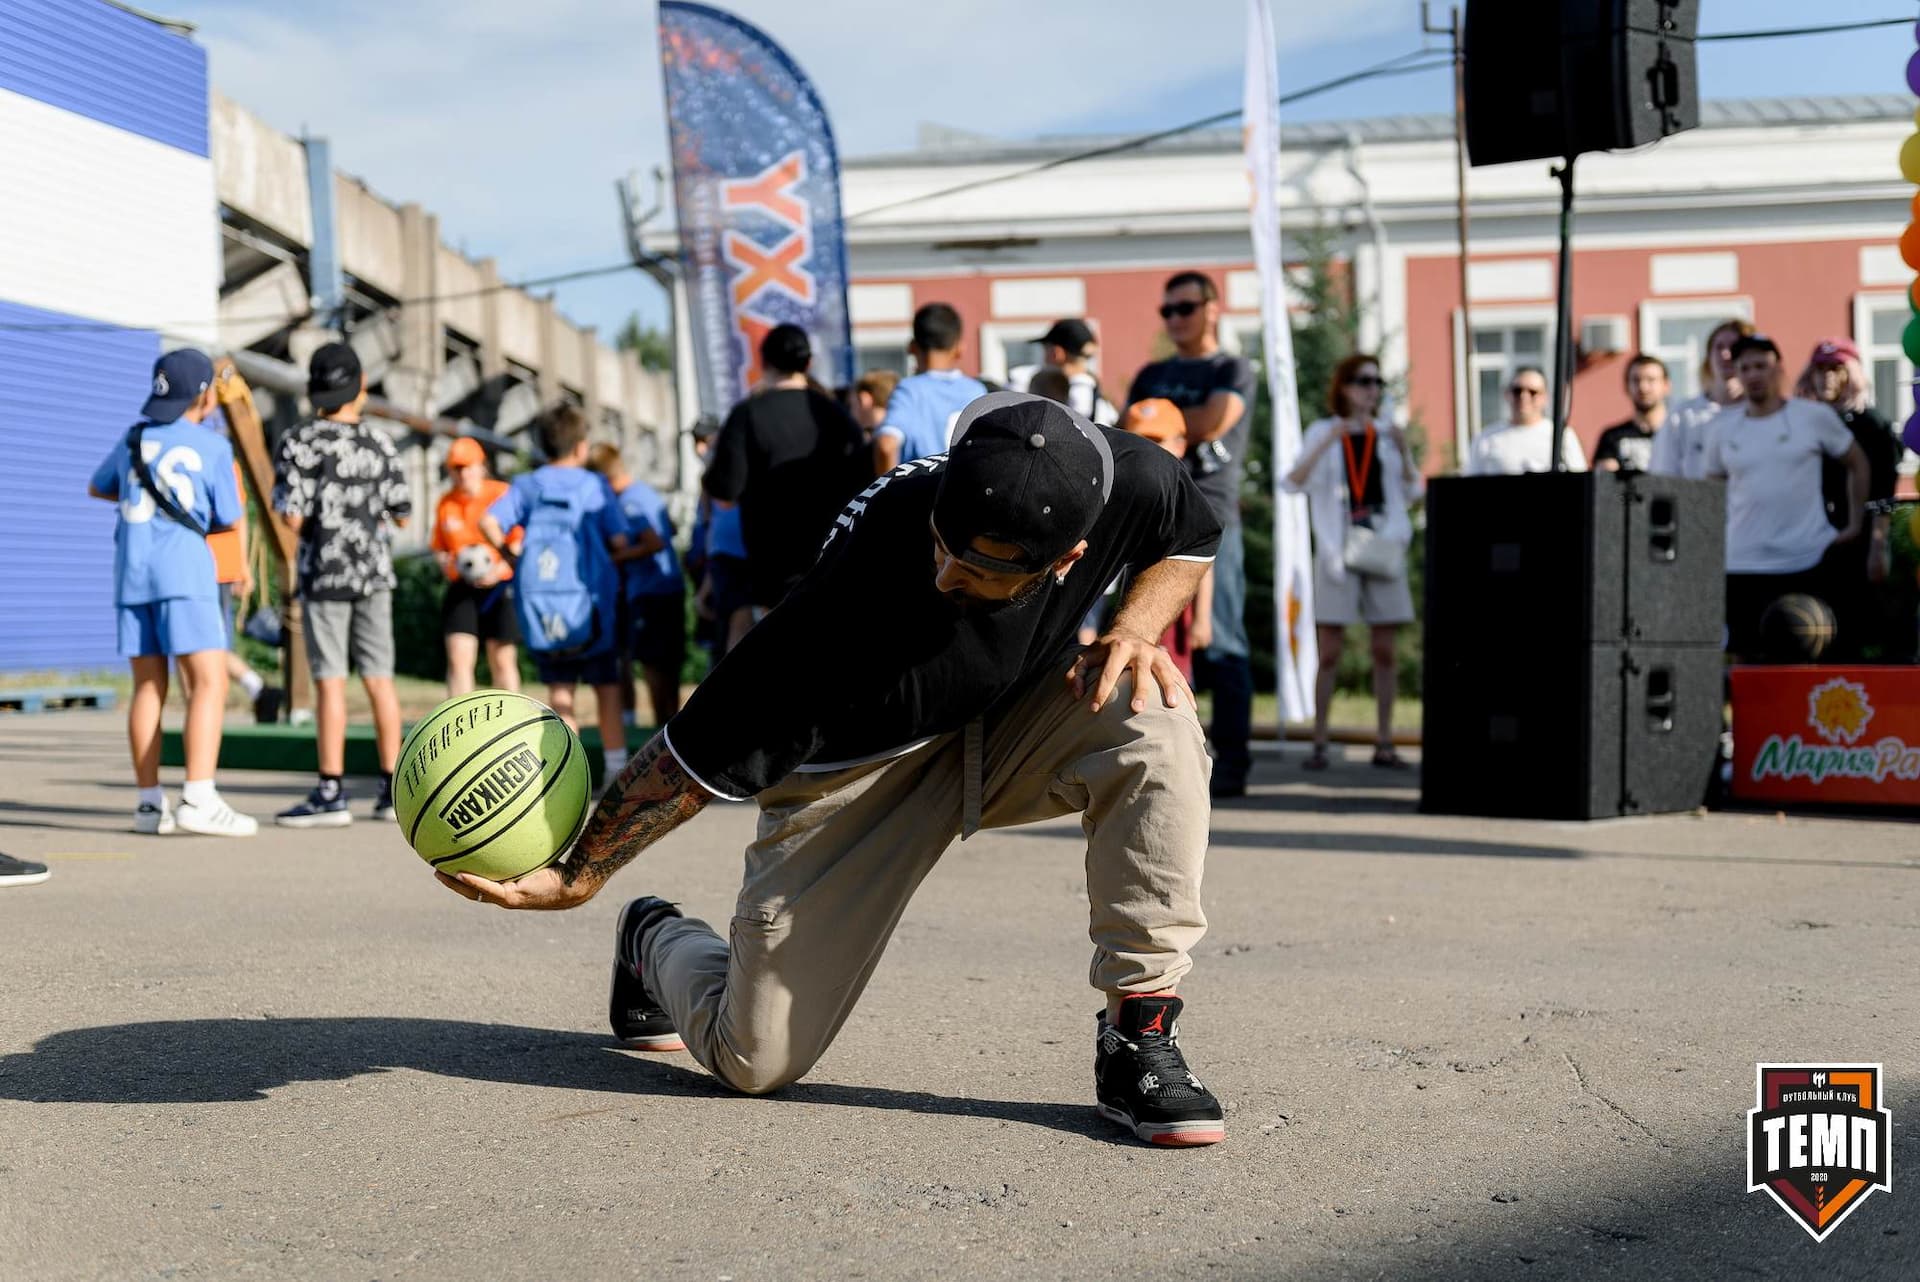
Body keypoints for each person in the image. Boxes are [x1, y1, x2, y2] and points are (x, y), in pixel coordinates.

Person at [439, 392, 1231, 1148]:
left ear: (1068, 559)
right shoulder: (863, 574)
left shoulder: (1128, 477)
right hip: (856, 772)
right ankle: (655, 939)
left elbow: (1191, 536)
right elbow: (695, 746)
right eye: (943, 543)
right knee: (756, 1059)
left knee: (1153, 718)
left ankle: (1139, 1035)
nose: (945, 574)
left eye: (978, 570)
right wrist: (582, 872)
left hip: (1014, 722)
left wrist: (1134, 625)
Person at [87, 348, 256, 836]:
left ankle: (147, 804)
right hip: (184, 574)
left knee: (148, 687)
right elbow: (227, 514)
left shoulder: (133, 437)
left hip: (132, 573)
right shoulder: (212, 446)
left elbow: (98, 487)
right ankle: (199, 796)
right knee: (208, 682)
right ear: (205, 394)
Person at [1125, 270, 1256, 798]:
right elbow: (1126, 429)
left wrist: (1161, 423)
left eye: (1185, 308)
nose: (1175, 319)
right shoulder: (1151, 371)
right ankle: (1162, 753)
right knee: (1145, 634)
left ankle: (1234, 762)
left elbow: (1215, 420)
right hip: (1153, 517)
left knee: (1219, 640)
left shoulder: (1232, 367)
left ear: (1212, 309)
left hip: (1212, 515)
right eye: (1167, 311)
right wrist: (1168, 426)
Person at [271, 342, 412, 828]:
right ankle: (392, 789)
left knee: (330, 680)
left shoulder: (297, 441)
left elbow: (290, 517)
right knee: (380, 678)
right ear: (361, 386)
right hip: (373, 574)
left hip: (322, 574)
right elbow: (400, 515)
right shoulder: (382, 444)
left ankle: (330, 790)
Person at [1282, 354, 1420, 770]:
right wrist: (1328, 442)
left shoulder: (1388, 433)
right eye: (1363, 381)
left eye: (1377, 382)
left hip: (1381, 545)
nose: (1371, 390)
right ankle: (1320, 741)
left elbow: (1413, 493)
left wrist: (1405, 450)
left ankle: (1384, 740)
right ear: (1343, 386)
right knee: (1330, 651)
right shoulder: (1324, 431)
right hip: (1337, 551)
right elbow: (1293, 481)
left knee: (1384, 649)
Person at [484, 405, 634, 780]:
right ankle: (615, 771)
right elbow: (618, 538)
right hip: (592, 605)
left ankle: (573, 774)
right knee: (606, 689)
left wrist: (510, 557)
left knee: (561, 692)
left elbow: (488, 522)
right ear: (581, 447)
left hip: (545, 606)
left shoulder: (527, 485)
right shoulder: (594, 486)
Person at [1703, 335, 1869, 661]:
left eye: (1761, 366)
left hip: (1805, 559)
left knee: (1812, 663)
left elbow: (1858, 463)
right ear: (1736, 372)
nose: (1753, 374)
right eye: (1745, 367)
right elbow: (1709, 491)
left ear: (1778, 369)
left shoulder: (1812, 417)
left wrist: (1854, 523)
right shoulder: (1720, 429)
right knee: (1748, 663)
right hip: (1742, 565)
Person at [704, 324, 867, 633]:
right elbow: (864, 483)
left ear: (763, 363)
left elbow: (724, 491)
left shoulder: (747, 414)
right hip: (834, 555)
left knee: (783, 655)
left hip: (772, 563)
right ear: (808, 364)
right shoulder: (838, 416)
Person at [1795, 336, 1900, 656]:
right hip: (1812, 536)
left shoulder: (1873, 425)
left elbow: (1885, 489)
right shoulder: (1801, 422)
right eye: (1820, 369)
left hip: (1859, 537)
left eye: (1836, 369)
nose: (1827, 377)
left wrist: (1878, 547)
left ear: (1851, 374)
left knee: (1858, 626)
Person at [589, 442, 686, 723]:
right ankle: (671, 723)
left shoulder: (629, 502)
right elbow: (670, 528)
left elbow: (653, 543)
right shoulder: (646, 491)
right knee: (669, 664)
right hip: (669, 587)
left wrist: (615, 557)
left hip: (651, 592)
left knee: (653, 664)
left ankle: (661, 726)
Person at [1119, 398, 1211, 678]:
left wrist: (1202, 619)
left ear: (1181, 445)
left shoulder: (1185, 500)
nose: (1149, 450)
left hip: (1171, 610)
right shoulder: (1121, 495)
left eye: (1158, 440)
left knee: (1170, 680)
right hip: (1125, 612)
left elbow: (1204, 562)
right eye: (1140, 440)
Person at [430, 437, 523, 697]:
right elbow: (439, 547)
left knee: (502, 657)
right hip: (463, 585)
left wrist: (499, 568)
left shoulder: (501, 493)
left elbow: (518, 540)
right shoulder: (446, 502)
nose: (463, 474)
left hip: (500, 584)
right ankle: (458, 725)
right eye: (456, 468)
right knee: (459, 659)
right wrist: (448, 564)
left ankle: (512, 723)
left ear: (481, 466)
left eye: (468, 467)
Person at [873, 303, 988, 473]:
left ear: (911, 347)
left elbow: (886, 445)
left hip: (923, 493)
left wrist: (886, 494)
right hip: (967, 493)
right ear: (959, 349)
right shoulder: (977, 391)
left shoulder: (909, 390)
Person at [1651, 318, 1752, 480]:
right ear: (1708, 357)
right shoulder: (1683, 414)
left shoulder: (1763, 414)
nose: (1726, 354)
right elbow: (1662, 474)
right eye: (1719, 347)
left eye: (1734, 347)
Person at [1462, 366, 1587, 474]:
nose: (1524, 397)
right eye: (1518, 391)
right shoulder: (1486, 438)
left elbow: (1580, 478)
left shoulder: (1562, 435)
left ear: (1545, 397)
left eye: (1532, 392)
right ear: (1507, 394)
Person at [1009, 319, 1119, 425]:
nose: (1044, 359)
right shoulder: (1097, 395)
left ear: (1057, 353)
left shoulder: (1078, 393)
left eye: (1046, 349)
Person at [1593, 354, 1670, 473]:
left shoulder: (1679, 434)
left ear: (1666, 386)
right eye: (1636, 380)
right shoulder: (1612, 437)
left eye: (1651, 380)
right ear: (1626, 386)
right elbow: (1604, 483)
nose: (1643, 387)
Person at [850, 369, 898, 443]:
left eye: (851, 405)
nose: (850, 411)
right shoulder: (900, 433)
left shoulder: (878, 444)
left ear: (864, 399)